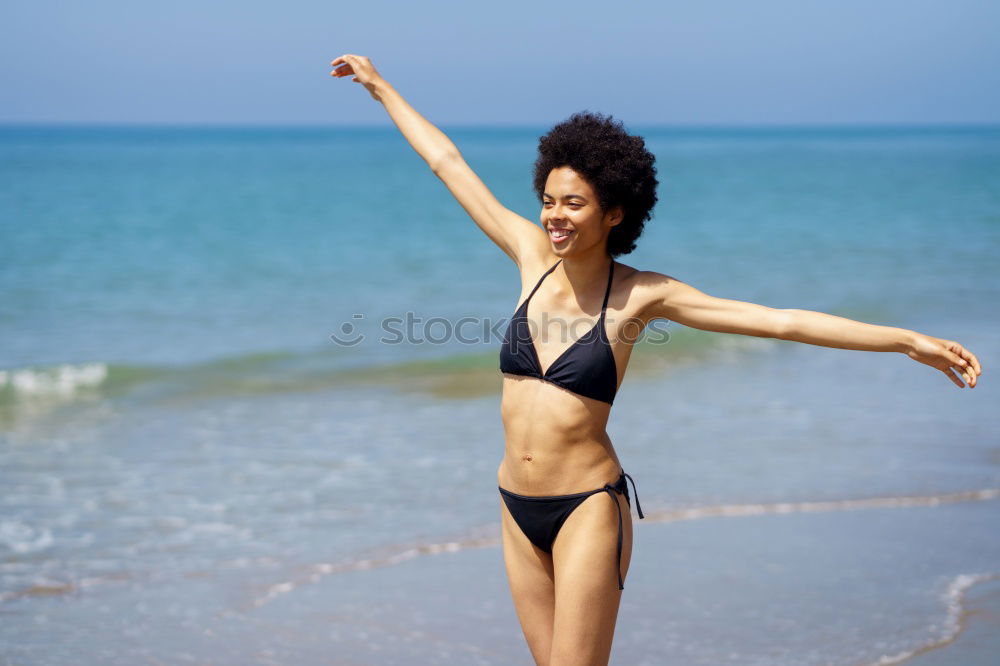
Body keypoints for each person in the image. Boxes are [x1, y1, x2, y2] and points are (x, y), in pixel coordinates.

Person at [329, 54, 983, 666]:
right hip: (513, 505)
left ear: (614, 212)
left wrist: (904, 340)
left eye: (574, 204)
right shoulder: (528, 255)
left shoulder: (642, 295)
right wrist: (382, 88)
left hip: (588, 505)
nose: (555, 216)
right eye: (550, 200)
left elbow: (780, 321)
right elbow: (447, 163)